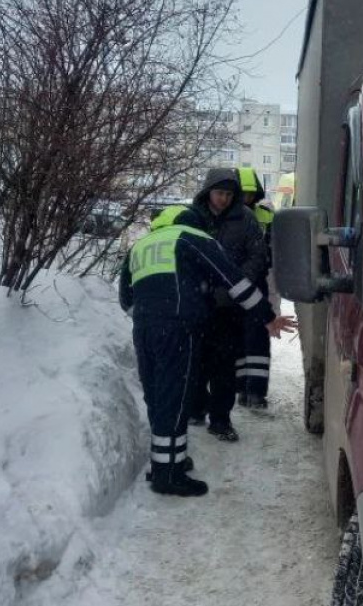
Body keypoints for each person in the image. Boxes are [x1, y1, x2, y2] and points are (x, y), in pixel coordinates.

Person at [118, 204, 293, 496]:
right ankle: (168, 477)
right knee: (175, 396)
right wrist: (268, 317)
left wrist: (151, 315)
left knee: (158, 394)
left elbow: (126, 298)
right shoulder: (193, 239)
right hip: (178, 327)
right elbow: (234, 282)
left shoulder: (142, 244)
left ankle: (167, 462)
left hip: (145, 329)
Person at [188, 168, 270, 441]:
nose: (223, 199)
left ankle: (221, 420)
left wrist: (235, 283)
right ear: (208, 191)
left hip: (230, 306)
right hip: (198, 304)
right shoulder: (193, 218)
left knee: (224, 366)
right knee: (196, 361)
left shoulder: (245, 219)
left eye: (228, 194)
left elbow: (258, 255)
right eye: (219, 193)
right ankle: (196, 408)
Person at [236, 167, 275, 409]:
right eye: (241, 193)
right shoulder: (225, 217)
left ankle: (256, 392)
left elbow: (275, 252)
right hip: (232, 284)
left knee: (258, 337)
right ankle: (240, 388)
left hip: (259, 281)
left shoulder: (267, 215)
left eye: (249, 194)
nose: (245, 198)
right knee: (236, 339)